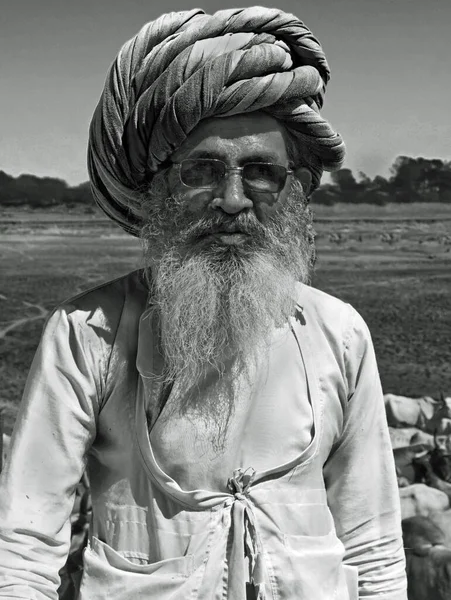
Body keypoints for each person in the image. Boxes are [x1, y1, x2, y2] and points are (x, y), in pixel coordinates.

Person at [0, 7, 407, 600]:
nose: (233, 199)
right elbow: (24, 546)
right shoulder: (87, 334)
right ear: (157, 185)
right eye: (203, 170)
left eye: (261, 172)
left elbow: (373, 540)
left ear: (290, 186)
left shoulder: (338, 333)